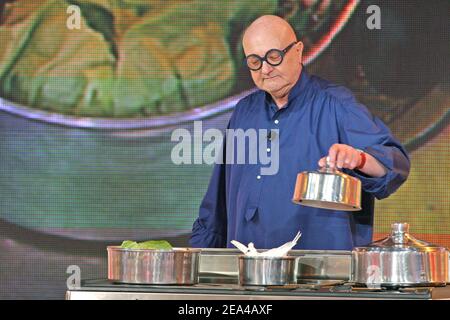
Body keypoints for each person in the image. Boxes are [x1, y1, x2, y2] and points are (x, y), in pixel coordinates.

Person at [189, 15, 410, 250]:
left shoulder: (336, 104)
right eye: (254, 61)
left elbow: (394, 165)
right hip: (246, 271)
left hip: (318, 273)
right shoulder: (244, 112)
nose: (265, 69)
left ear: (297, 51)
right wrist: (199, 262)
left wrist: (359, 158)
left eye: (273, 57)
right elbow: (216, 205)